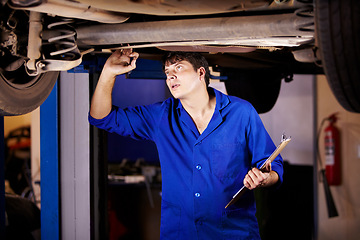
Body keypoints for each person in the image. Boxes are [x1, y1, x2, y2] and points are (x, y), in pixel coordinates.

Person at [89, 49, 284, 239]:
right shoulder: (160, 117)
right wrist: (108, 73)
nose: (171, 76)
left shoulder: (241, 112)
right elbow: (101, 118)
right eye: (167, 72)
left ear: (201, 73)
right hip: (181, 233)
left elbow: (273, 167)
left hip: (234, 232)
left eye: (178, 68)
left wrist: (264, 178)